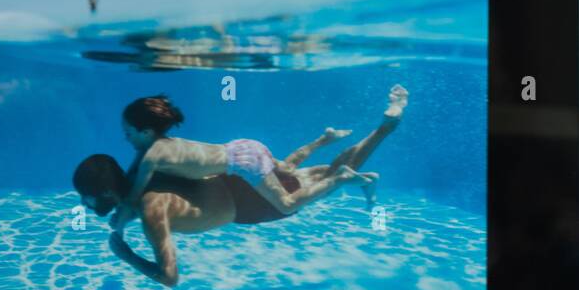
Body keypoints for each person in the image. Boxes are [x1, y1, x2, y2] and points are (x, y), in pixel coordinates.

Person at [77, 84, 407, 287]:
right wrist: (120, 214)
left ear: (107, 192)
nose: (83, 204)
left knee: (327, 179)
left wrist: (126, 255)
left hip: (246, 204)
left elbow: (170, 277)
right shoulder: (148, 165)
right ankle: (384, 128)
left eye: (85, 198)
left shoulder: (150, 208)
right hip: (239, 174)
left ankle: (353, 166)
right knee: (322, 171)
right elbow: (132, 191)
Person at [115, 91, 388, 223]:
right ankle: (325, 140)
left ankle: (339, 179)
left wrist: (120, 221)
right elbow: (134, 169)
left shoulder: (151, 156)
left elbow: (133, 193)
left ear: (146, 130)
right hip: (245, 146)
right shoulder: (163, 144)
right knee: (289, 169)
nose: (125, 138)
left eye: (128, 132)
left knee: (287, 204)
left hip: (243, 164)